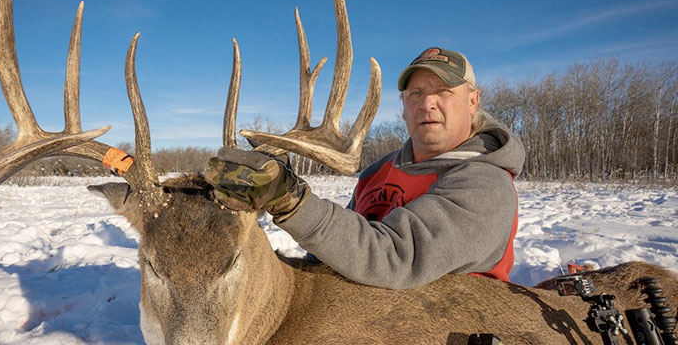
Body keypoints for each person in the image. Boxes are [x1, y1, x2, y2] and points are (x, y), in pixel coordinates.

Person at [204, 47, 525, 289]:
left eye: (443, 92)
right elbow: (334, 255)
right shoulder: (378, 172)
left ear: (473, 101)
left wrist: (289, 200)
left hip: (454, 343)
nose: (427, 104)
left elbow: (396, 257)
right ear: (403, 108)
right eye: (416, 93)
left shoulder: (486, 182)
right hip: (364, 327)